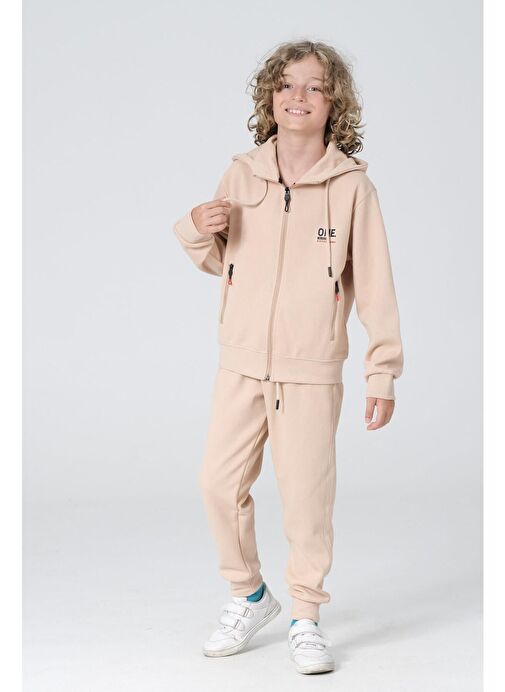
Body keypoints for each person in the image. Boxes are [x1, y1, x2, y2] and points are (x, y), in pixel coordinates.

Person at [173, 39, 404, 675]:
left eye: (313, 87)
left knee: (306, 499)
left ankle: (306, 615)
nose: (297, 96)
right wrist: (195, 227)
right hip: (241, 362)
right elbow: (225, 262)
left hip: (311, 369)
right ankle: (250, 595)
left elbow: (376, 287)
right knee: (217, 484)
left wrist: (381, 371)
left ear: (334, 105)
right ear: (269, 98)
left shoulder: (353, 188)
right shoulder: (241, 174)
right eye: (285, 85)